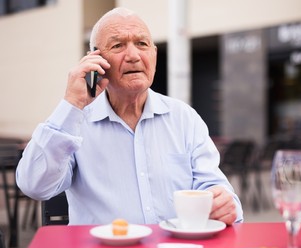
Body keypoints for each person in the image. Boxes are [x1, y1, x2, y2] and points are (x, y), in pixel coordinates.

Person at [16, 7, 243, 226]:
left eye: (142, 44)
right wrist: (72, 103)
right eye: (118, 45)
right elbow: (34, 185)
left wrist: (224, 203)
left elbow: (214, 186)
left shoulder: (184, 118)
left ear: (153, 54)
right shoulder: (75, 123)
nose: (133, 55)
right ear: (95, 59)